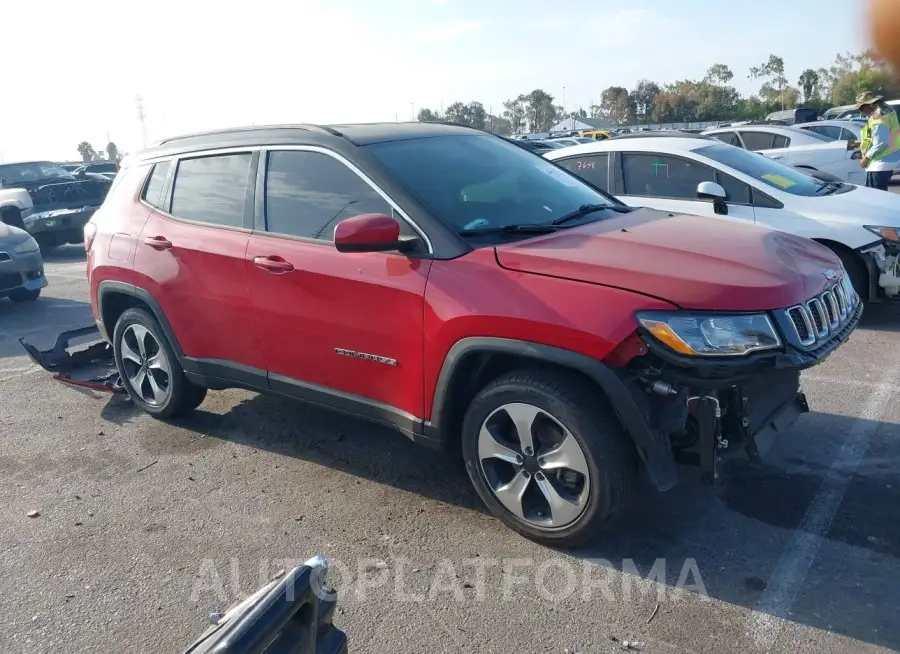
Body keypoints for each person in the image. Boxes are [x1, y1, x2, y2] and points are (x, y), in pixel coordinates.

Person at [856, 91, 900, 190]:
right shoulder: (882, 114)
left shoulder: (879, 119)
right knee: (874, 195)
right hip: (882, 161)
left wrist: (865, 158)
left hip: (880, 162)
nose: (861, 111)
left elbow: (880, 143)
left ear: (870, 105)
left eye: (862, 108)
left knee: (877, 196)